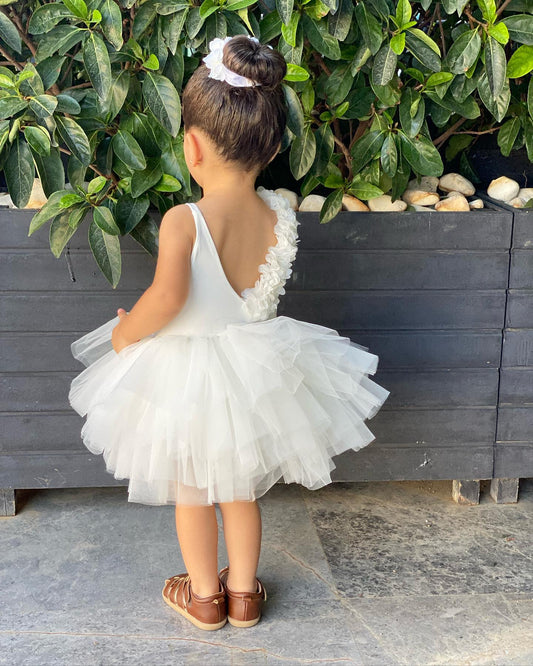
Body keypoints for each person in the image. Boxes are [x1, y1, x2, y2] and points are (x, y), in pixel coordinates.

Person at [68, 34, 390, 632]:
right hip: (255, 372)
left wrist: (125, 334)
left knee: (193, 490)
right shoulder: (279, 215)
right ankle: (244, 596)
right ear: (268, 149)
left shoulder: (183, 219)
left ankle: (206, 599)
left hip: (187, 377)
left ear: (191, 146)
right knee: (240, 490)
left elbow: (167, 298)